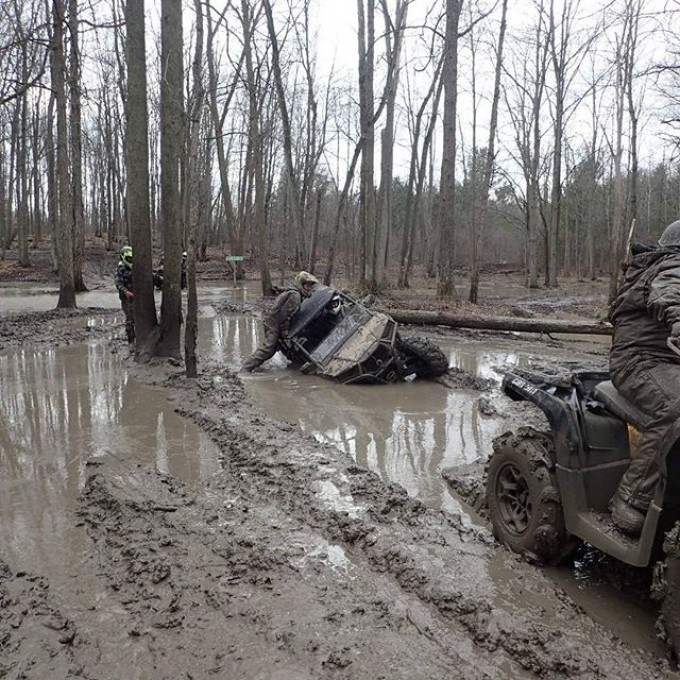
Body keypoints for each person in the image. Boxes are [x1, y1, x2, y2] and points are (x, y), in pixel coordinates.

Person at [608, 219, 680, 535]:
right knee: (678, 406)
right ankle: (632, 496)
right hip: (638, 361)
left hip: (668, 362)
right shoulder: (669, 267)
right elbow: (670, 295)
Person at [241, 271, 320, 372]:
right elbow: (286, 317)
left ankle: (253, 367)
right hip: (273, 324)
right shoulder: (295, 295)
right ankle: (245, 370)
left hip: (273, 322)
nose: (309, 288)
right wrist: (285, 334)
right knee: (268, 349)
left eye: (310, 285)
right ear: (301, 284)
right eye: (307, 285)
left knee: (272, 349)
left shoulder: (294, 292)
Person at [115, 245, 135, 342]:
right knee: (130, 318)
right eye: (129, 258)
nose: (130, 260)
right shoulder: (120, 269)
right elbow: (118, 283)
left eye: (132, 258)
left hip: (136, 296)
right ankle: (131, 341)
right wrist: (125, 291)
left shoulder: (134, 268)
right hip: (126, 299)